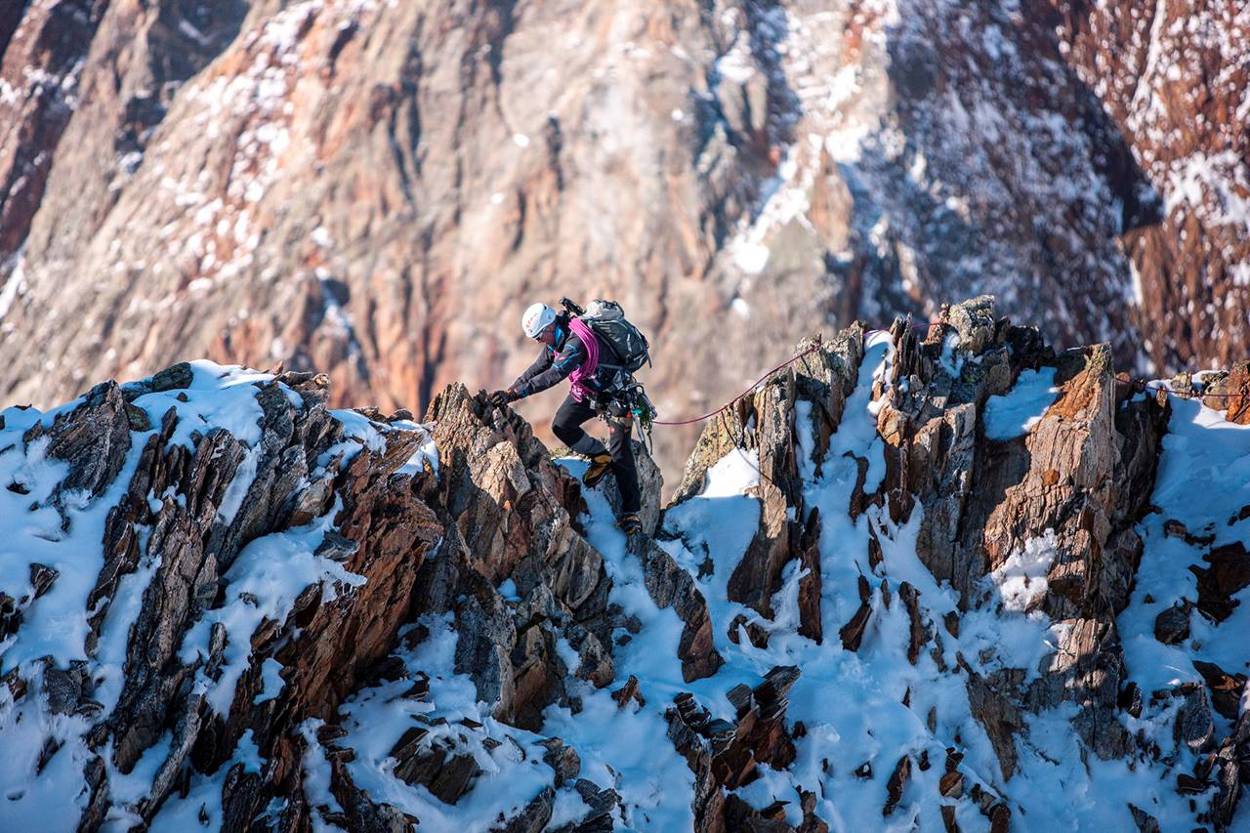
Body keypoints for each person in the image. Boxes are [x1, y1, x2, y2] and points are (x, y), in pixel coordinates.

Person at [490, 302, 642, 535]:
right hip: (590, 391)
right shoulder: (556, 340)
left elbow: (554, 374)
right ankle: (600, 456)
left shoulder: (575, 342)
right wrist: (510, 391)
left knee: (620, 451)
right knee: (562, 425)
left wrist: (515, 394)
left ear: (549, 327)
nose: (539, 342)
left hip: (615, 395)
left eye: (539, 336)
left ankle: (631, 513)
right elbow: (537, 368)